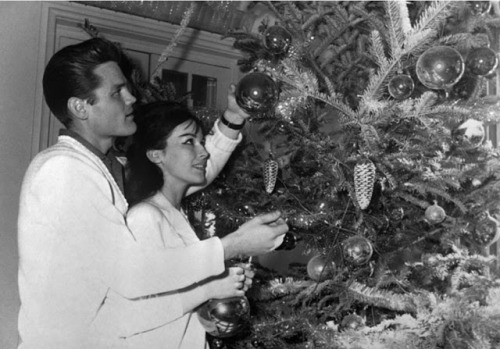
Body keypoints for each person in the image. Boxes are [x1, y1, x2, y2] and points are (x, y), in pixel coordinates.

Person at [17, 37, 288, 349]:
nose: (131, 98)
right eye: (116, 92)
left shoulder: (104, 167)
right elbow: (129, 272)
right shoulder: (63, 170)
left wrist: (233, 120)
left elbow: (183, 170)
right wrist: (231, 246)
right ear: (80, 107)